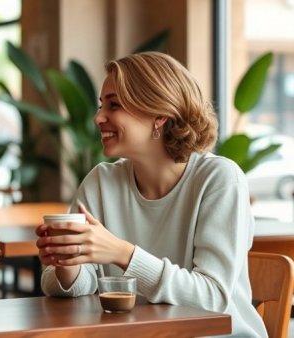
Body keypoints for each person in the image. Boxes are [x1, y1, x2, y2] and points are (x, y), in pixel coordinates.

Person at [36, 51, 266, 337]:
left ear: (159, 115)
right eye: (101, 105)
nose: (98, 117)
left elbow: (213, 298)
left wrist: (123, 253)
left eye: (114, 105)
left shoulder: (219, 179)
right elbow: (72, 287)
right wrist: (66, 263)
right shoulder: (100, 182)